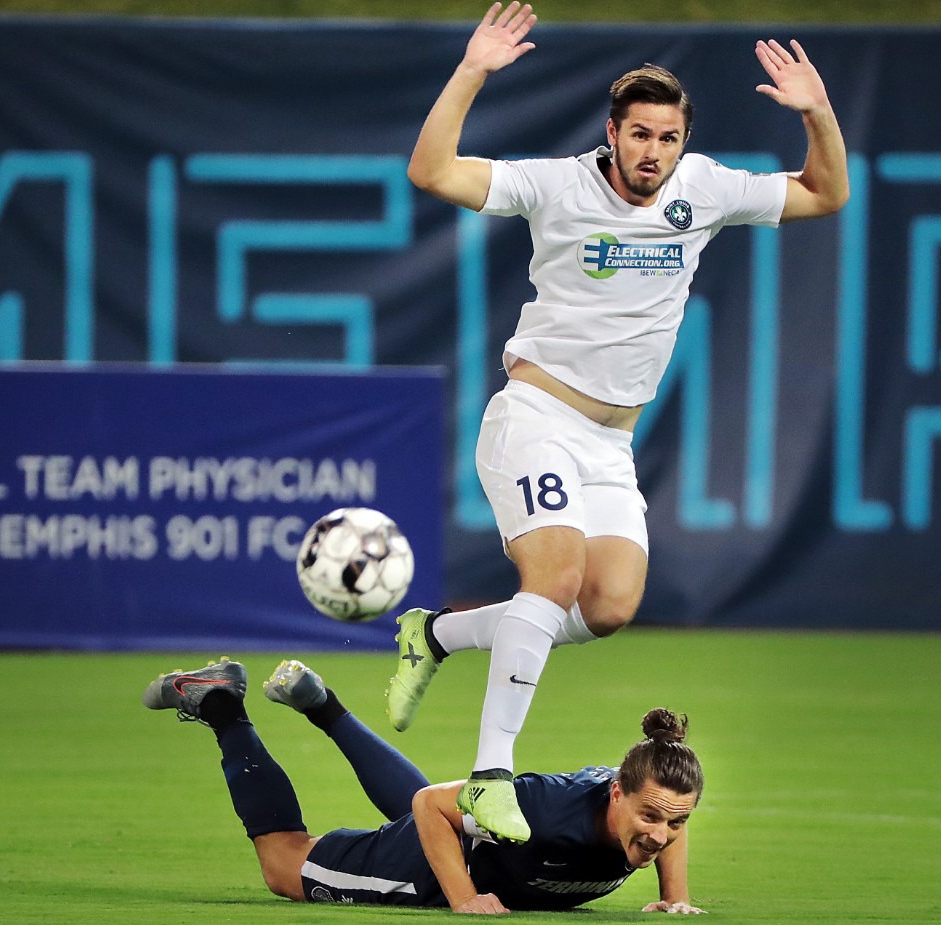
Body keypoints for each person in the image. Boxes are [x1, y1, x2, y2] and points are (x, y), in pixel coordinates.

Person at [390, 1, 848, 843]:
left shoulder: (704, 189)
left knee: (606, 604)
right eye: (639, 134)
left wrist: (817, 112)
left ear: (682, 141)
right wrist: (473, 71)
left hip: (610, 442)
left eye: (667, 137)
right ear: (613, 132)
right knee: (554, 575)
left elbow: (826, 193)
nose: (653, 151)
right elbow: (433, 172)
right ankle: (490, 776)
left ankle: (437, 633)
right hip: (535, 413)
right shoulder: (555, 183)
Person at [142, 656, 707, 915]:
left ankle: (323, 706)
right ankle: (220, 703)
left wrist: (675, 899)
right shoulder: (545, 807)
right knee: (285, 867)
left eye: (676, 821)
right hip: (436, 866)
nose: (661, 834)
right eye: (651, 817)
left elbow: (666, 817)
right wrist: (463, 898)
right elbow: (430, 806)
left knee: (451, 811)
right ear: (616, 794)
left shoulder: (647, 796)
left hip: (481, 845)